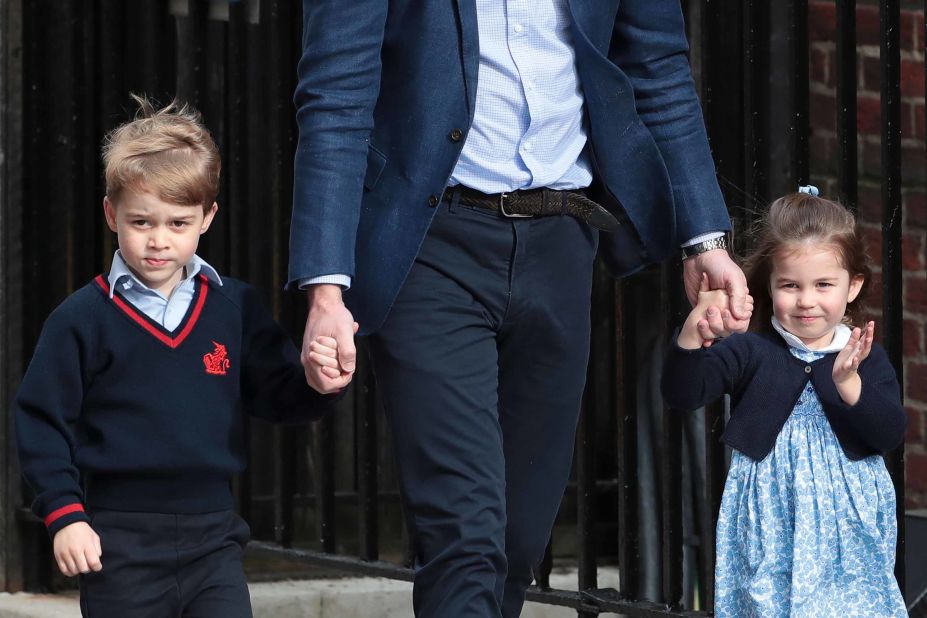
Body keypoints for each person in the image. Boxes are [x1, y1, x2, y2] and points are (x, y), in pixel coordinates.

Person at [290, 2, 750, 615]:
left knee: (517, 536)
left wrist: (706, 238)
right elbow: (336, 96)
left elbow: (659, 68)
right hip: (429, 242)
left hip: (562, 239)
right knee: (465, 535)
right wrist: (326, 292)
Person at [13, 96, 337, 618]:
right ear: (110, 213)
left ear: (207, 217)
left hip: (215, 537)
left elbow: (278, 395)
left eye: (178, 223)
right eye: (142, 222)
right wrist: (65, 515)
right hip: (118, 541)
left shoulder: (235, 307)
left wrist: (318, 383)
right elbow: (41, 422)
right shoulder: (81, 319)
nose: (159, 240)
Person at [662, 192, 907, 616]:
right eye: (790, 285)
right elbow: (683, 393)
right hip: (768, 517)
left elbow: (889, 433)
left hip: (846, 524)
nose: (806, 300)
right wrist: (692, 330)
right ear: (769, 286)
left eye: (823, 285)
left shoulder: (862, 354)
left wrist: (849, 384)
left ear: (853, 286)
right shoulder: (749, 350)